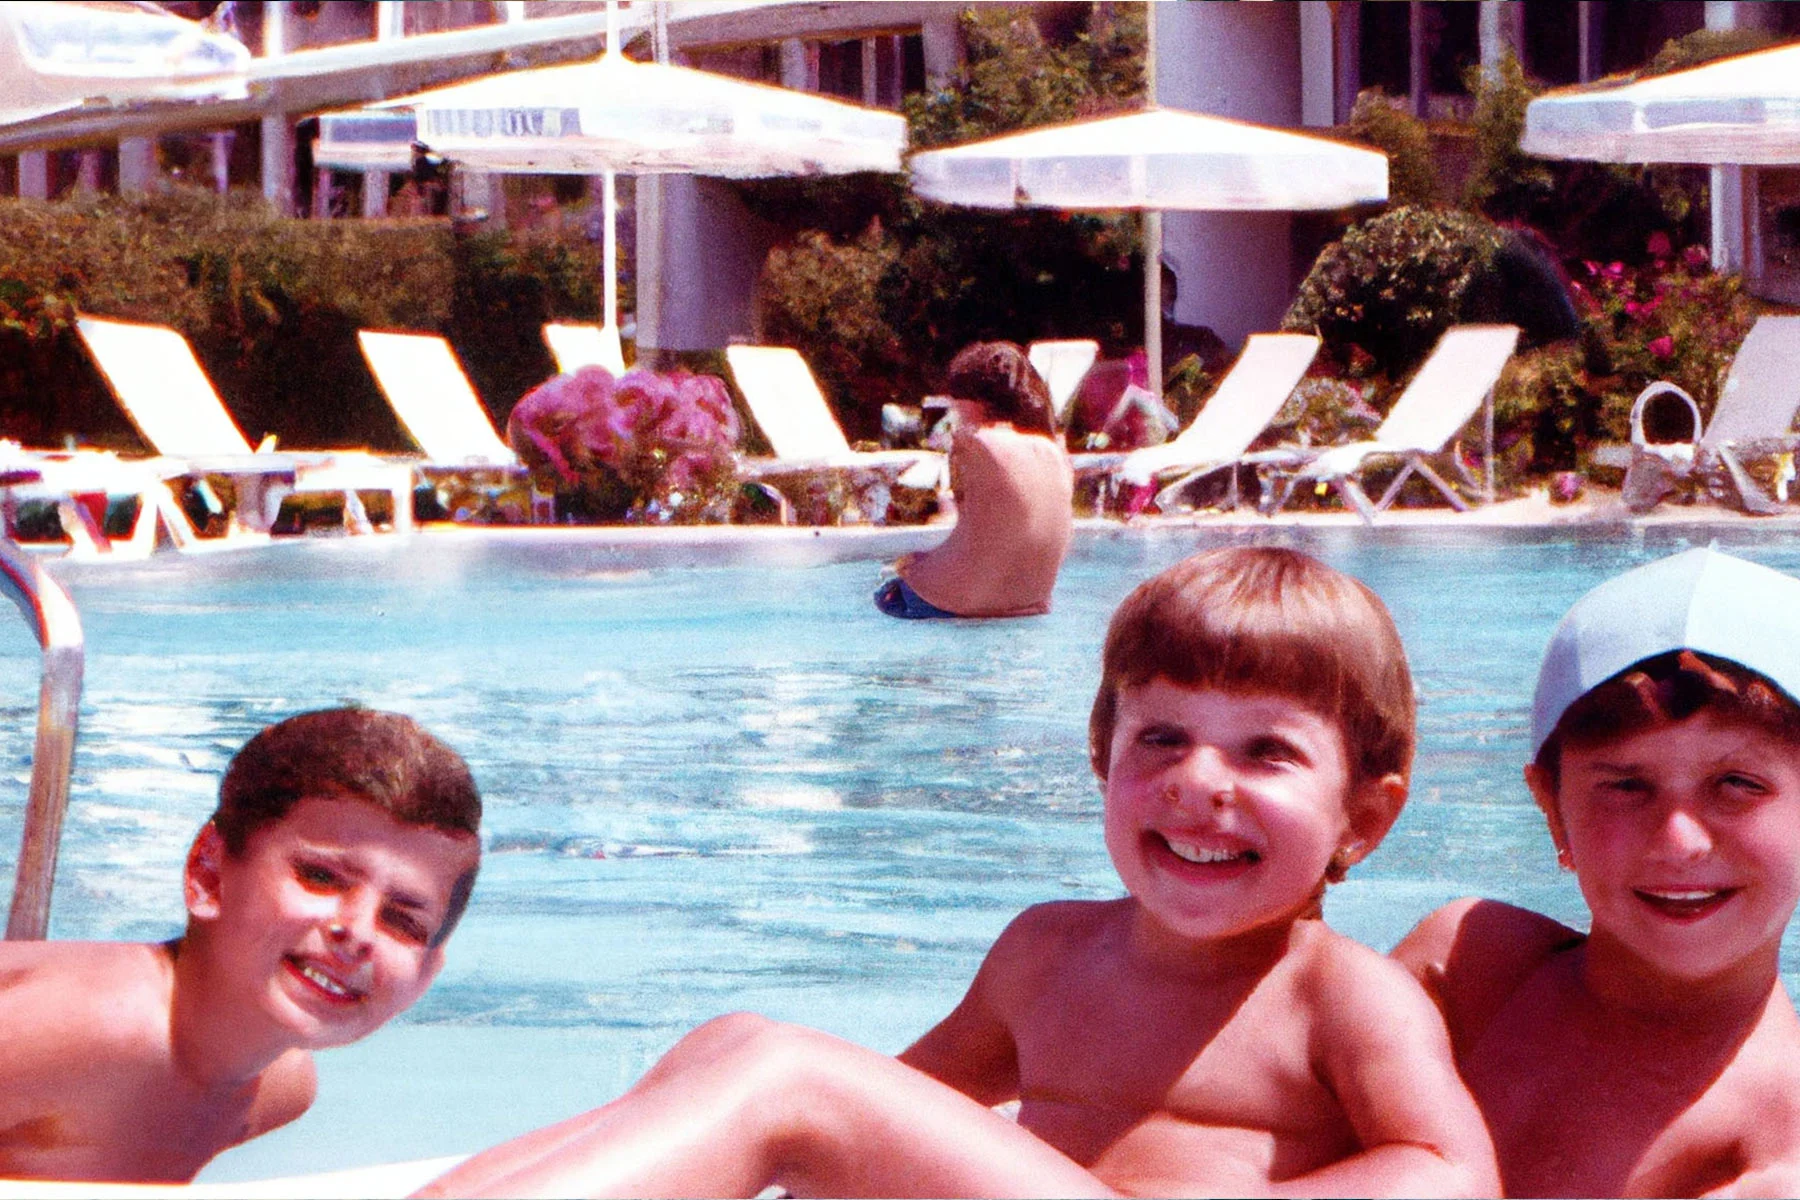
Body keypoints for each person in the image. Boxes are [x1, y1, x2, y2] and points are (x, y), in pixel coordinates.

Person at [424, 547, 1497, 1198]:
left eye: (1265, 752)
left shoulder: (1341, 995)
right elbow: (904, 1104)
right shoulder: (1049, 952)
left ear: (1365, 815)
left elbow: (1452, 1177)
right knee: (733, 1048)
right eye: (1161, 738)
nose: (1198, 783)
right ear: (1102, 761)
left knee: (785, 1076)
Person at [1394, 547, 1800, 1197]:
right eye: (1626, 786)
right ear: (1554, 811)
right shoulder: (1468, 973)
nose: (1680, 839)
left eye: (1737, 783)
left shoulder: (1770, 1154)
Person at [0, 707, 483, 1183]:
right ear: (209, 872)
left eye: (401, 921)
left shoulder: (281, 1088)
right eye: (319, 877)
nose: (356, 931)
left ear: (425, 977)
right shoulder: (94, 1027)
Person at [876, 341, 1073, 619]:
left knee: (882, 590)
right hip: (1029, 603)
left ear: (972, 398)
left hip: (958, 601)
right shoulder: (1052, 450)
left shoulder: (972, 442)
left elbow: (956, 519)